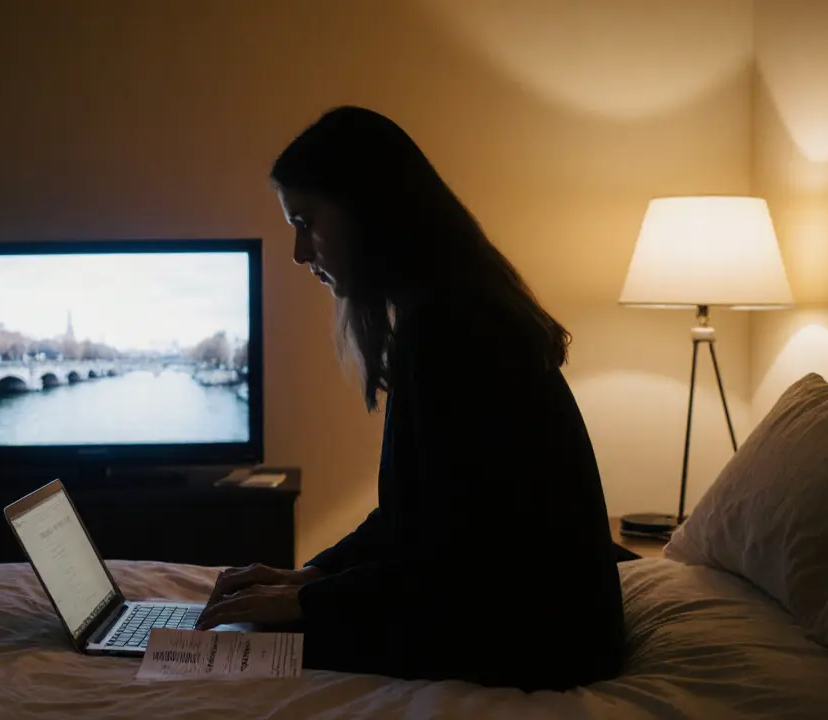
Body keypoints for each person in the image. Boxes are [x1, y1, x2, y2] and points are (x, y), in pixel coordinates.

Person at [196, 106, 625, 691]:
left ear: (366, 210)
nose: (298, 252)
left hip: (541, 638)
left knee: (245, 647)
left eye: (305, 221)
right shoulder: (449, 313)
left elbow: (456, 565)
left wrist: (308, 604)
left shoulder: (455, 331)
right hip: (531, 618)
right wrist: (308, 577)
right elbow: (416, 521)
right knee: (254, 630)